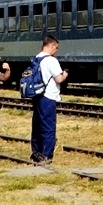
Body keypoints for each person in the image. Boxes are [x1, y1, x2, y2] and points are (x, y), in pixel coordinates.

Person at [29, 34, 68, 164]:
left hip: (37, 96)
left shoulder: (36, 58)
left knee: (37, 126)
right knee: (48, 127)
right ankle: (47, 156)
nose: (56, 51)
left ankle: (36, 153)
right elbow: (59, 79)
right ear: (51, 46)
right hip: (48, 97)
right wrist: (65, 74)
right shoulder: (51, 60)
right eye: (56, 48)